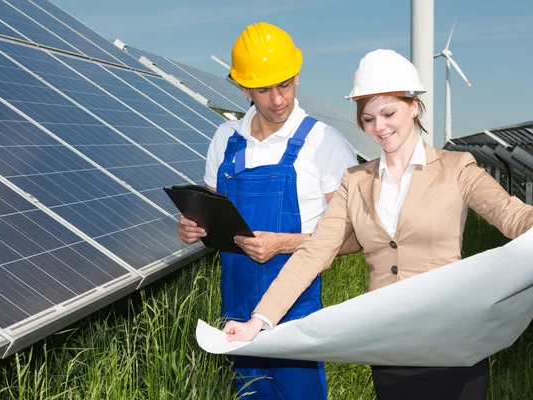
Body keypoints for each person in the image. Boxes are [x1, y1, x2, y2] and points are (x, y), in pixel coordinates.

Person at [221, 48, 533, 400]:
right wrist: (259, 321)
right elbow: (313, 253)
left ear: (413, 106)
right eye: (368, 119)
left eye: (388, 113)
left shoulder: (456, 168)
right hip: (390, 346)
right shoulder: (355, 181)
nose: (379, 127)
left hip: (454, 343)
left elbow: (512, 214)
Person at [177, 22, 359, 399]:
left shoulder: (324, 144)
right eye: (263, 89)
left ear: (296, 77)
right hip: (236, 311)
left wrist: (285, 243)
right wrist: (193, 227)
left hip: (296, 314)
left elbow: (356, 238)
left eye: (286, 85)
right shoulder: (225, 139)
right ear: (244, 88)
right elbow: (211, 214)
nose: (278, 99)